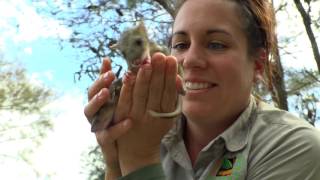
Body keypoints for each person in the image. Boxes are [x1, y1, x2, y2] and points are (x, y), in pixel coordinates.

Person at [84, 0, 320, 179]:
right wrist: (115, 157)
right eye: (181, 45)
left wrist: (138, 157)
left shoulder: (294, 147)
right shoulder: (151, 131)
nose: (190, 59)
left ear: (257, 64)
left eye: (216, 44)